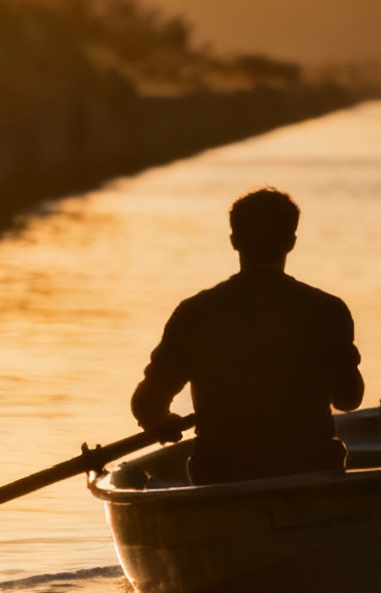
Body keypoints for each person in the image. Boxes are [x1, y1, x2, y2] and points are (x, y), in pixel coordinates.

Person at [131, 188, 363, 484]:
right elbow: (349, 399)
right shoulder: (328, 310)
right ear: (291, 243)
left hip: (221, 474)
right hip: (309, 470)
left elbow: (147, 403)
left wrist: (161, 423)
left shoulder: (195, 312)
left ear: (234, 241)